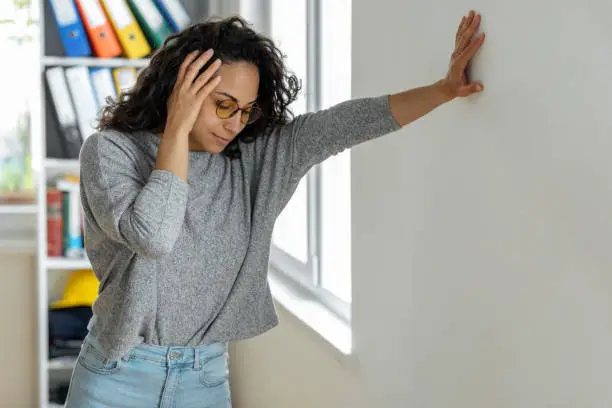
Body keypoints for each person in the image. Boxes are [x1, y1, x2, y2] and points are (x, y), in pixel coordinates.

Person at [64, 10, 485, 408]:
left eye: (246, 111)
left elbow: (345, 123)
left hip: (203, 379)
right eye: (222, 104)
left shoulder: (254, 158)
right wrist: (177, 128)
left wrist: (444, 89)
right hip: (117, 376)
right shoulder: (110, 152)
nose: (234, 124)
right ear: (180, 90)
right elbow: (153, 236)